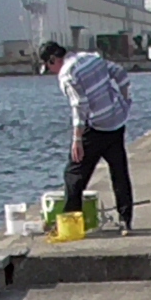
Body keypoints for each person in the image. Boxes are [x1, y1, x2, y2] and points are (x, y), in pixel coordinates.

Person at [39, 42, 136, 236]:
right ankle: (125, 220)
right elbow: (120, 74)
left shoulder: (67, 74)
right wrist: (125, 101)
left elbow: (79, 105)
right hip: (116, 121)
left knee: (74, 174)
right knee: (119, 173)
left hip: (96, 126)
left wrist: (77, 139)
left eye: (49, 67)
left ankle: (71, 223)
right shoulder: (92, 58)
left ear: (53, 60)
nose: (51, 71)